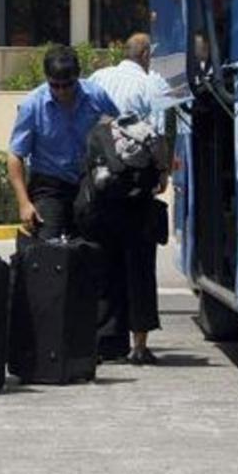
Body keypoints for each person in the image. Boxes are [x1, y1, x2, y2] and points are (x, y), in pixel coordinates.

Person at [88, 33, 167, 365]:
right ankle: (138, 345)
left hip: (104, 186)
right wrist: (162, 174)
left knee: (105, 263)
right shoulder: (151, 84)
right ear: (145, 53)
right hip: (137, 189)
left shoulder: (98, 78)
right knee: (139, 266)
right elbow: (159, 133)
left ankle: (105, 341)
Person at [7, 45, 119, 240]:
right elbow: (15, 155)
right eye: (54, 85)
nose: (61, 91)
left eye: (67, 85)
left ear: (78, 77)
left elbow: (119, 129)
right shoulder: (32, 106)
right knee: (49, 249)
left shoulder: (96, 96)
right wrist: (24, 203)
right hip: (50, 185)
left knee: (97, 244)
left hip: (88, 180)